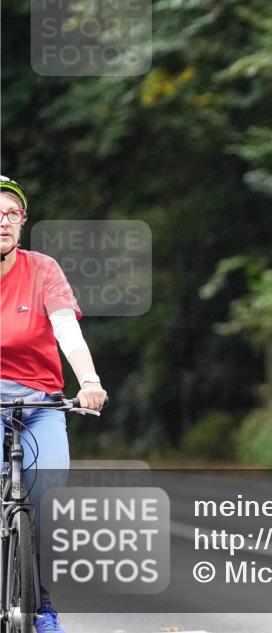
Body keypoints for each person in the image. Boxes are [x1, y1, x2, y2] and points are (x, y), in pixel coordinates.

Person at [0, 175, 108, 633]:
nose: (3, 222)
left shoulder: (43, 270)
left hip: (40, 402)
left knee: (47, 497)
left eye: (12, 214)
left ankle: (43, 607)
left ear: (23, 223)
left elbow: (66, 330)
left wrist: (89, 380)